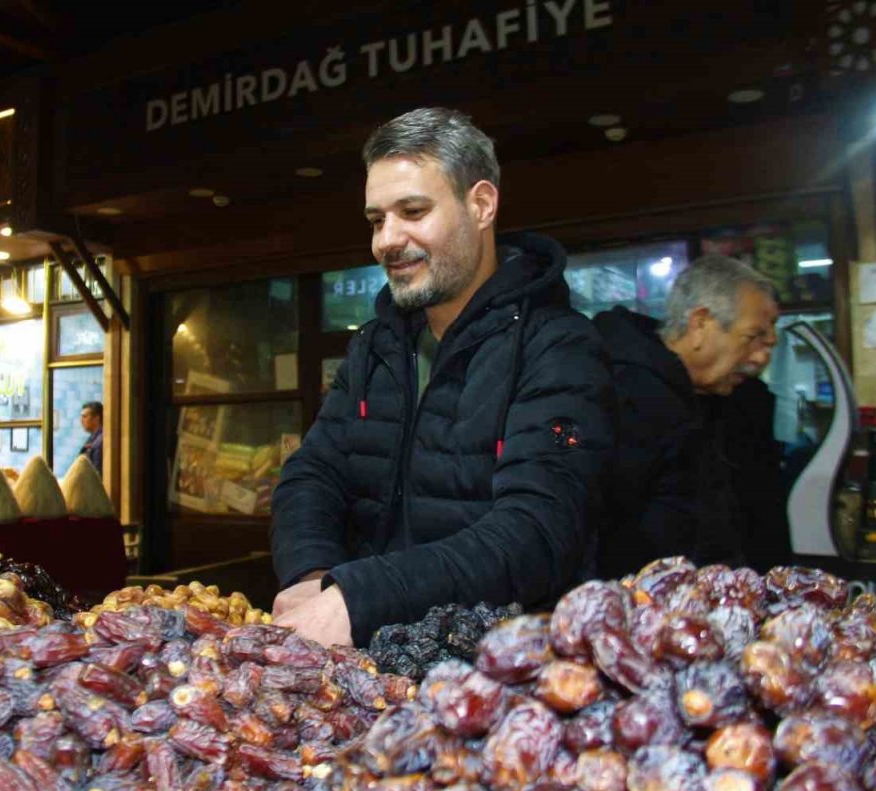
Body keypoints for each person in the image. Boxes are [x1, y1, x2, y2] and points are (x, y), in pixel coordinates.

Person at [270, 107, 613, 647]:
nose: (386, 239)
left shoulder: (560, 347)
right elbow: (313, 474)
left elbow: (538, 530)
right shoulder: (373, 347)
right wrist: (312, 574)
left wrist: (359, 596)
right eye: (376, 219)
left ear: (481, 205)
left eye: (412, 210)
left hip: (499, 677)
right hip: (369, 671)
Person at [592, 254, 783, 579]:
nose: (762, 357)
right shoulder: (625, 395)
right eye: (752, 337)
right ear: (700, 324)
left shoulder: (734, 401)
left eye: (769, 342)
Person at [79, 401, 103, 473]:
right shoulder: (93, 439)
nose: (81, 421)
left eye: (85, 416)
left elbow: (97, 471)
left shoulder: (99, 442)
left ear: (96, 418)